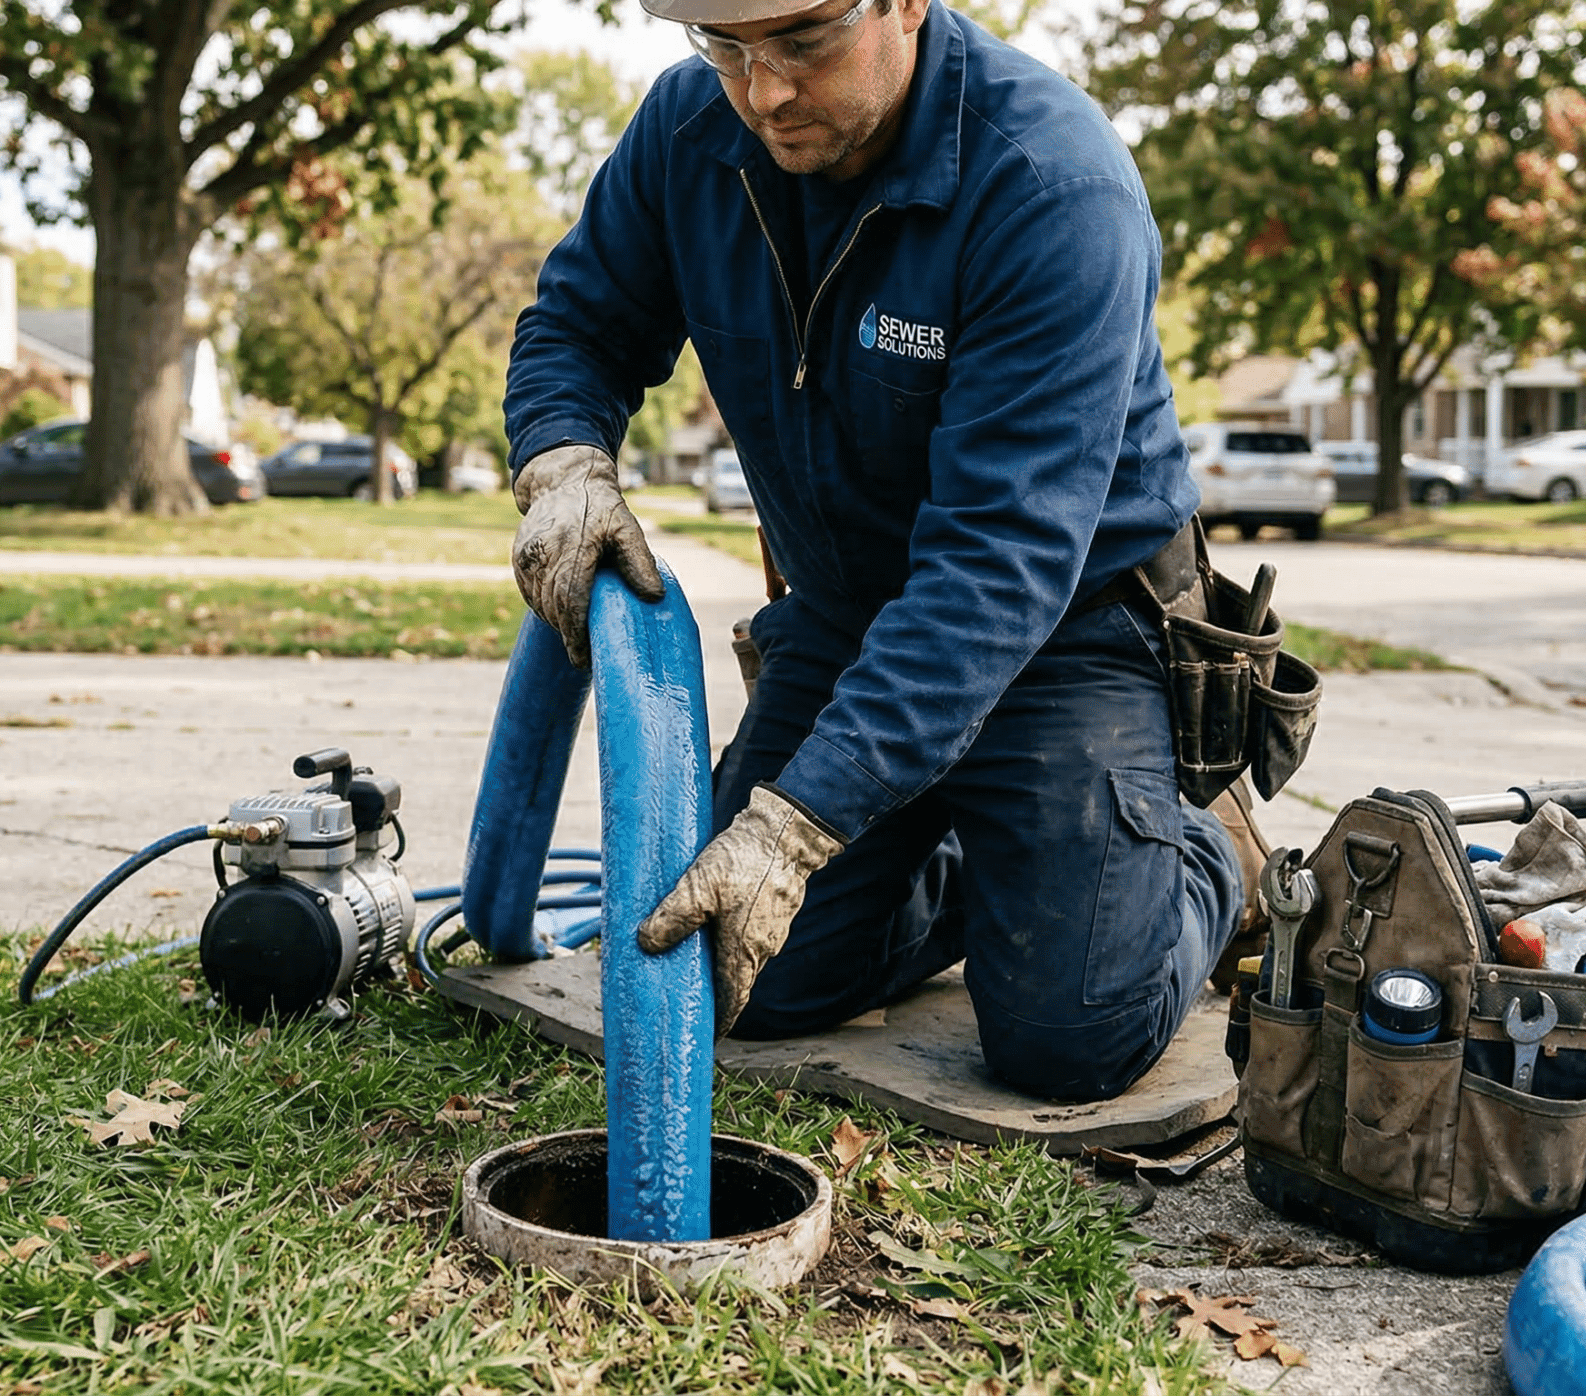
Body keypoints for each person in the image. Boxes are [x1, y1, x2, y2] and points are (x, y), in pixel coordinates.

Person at [500, 0, 1267, 1101]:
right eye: (725, 46)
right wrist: (564, 463)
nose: (762, 92)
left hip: (1067, 631)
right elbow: (579, 322)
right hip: (848, 611)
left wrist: (800, 823)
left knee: (1072, 1037)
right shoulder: (686, 133)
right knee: (738, 974)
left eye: (804, 42)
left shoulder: (1051, 183)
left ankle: (1192, 850)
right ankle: (975, 863)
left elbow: (995, 564)